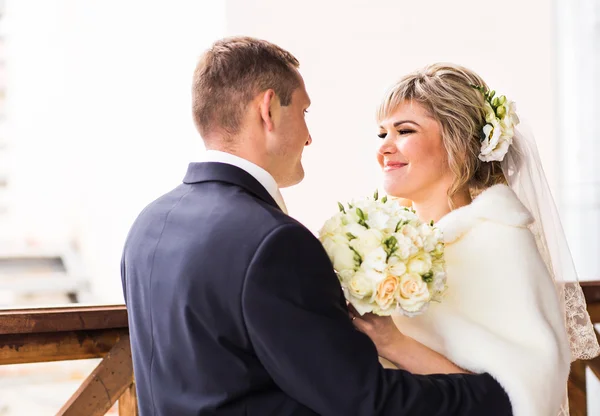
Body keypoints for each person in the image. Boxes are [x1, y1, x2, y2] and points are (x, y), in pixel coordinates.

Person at [121, 38, 512, 415]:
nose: (309, 137)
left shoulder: (149, 225)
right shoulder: (274, 242)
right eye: (304, 112)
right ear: (268, 110)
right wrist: (493, 394)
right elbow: (364, 401)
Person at [350, 63, 600, 415]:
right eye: (381, 134)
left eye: (404, 131)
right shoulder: (378, 242)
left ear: (459, 145)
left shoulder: (499, 242)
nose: (384, 149)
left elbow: (524, 397)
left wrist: (392, 342)